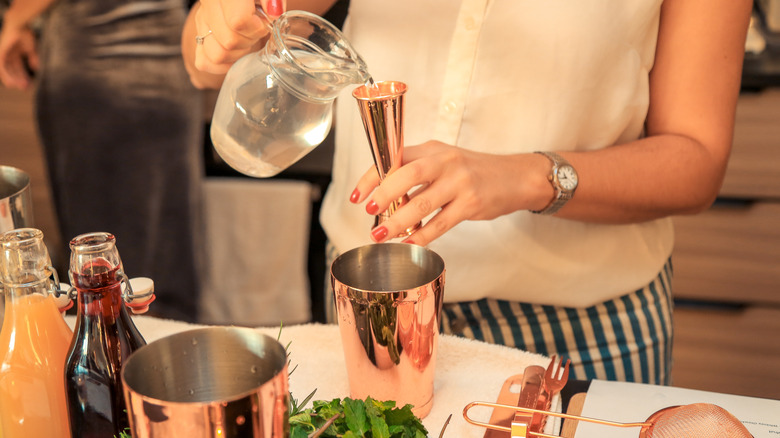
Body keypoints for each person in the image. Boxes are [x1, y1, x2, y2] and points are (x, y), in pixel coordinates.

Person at [182, 0, 752, 384]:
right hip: (372, 308)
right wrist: (226, 22)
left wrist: (527, 177)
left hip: (585, 328)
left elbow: (695, 160)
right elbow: (206, 61)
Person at [0, 0, 205, 322]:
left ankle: (121, 368)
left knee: (103, 275)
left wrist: (17, 17)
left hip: (96, 54)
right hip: (168, 47)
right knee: (166, 264)